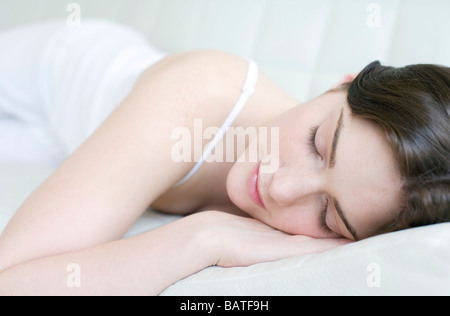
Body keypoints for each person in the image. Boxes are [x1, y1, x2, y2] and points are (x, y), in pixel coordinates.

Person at [0, 19, 448, 295]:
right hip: (51, 77)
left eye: (328, 215)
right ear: (341, 83)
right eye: (317, 143)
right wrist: (200, 237)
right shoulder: (200, 96)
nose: (282, 187)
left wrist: (209, 241)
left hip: (60, 144)